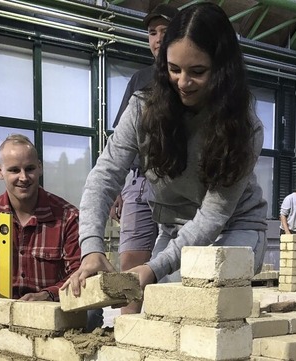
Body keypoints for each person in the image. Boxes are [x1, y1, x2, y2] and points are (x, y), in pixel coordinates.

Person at [64, 3, 268, 297]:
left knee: (193, 296)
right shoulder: (142, 107)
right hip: (173, 229)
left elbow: (213, 216)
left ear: (223, 69)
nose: (183, 83)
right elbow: (105, 175)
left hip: (235, 229)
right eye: (174, 69)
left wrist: (154, 268)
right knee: (157, 309)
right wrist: (91, 248)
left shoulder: (244, 128)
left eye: (197, 71)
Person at [0, 134, 101, 330]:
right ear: (0, 171)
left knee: (92, 310)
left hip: (54, 314)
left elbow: (79, 275)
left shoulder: (67, 217)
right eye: (14, 170)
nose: (23, 178)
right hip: (0, 318)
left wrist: (47, 295)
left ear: (40, 167)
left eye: (29, 169)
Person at [109, 3, 178, 315]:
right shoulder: (140, 80)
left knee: (176, 268)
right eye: (152, 33)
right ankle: (130, 335)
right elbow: (121, 143)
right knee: (131, 267)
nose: (158, 39)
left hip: (181, 185)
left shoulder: (190, 81)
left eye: (166, 31)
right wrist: (116, 190)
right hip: (140, 181)